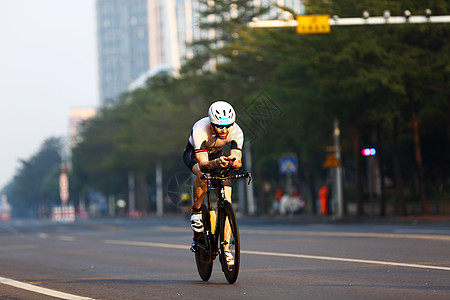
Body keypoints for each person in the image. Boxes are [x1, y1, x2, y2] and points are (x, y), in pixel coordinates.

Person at [183, 101, 244, 265]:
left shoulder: (236, 131)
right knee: (203, 174)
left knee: (227, 198)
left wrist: (234, 161)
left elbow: (238, 160)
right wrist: (216, 162)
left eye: (228, 126)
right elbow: (203, 163)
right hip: (195, 156)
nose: (224, 131)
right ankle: (196, 212)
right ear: (211, 124)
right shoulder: (200, 129)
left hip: (218, 157)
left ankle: (225, 248)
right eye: (219, 127)